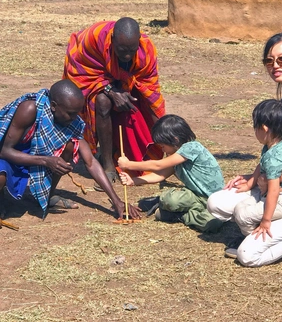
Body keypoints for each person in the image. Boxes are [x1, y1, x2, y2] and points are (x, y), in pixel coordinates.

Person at [207, 31, 282, 265]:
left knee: (247, 256)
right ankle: (272, 223)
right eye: (269, 60)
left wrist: (272, 178)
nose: (275, 65)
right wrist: (252, 179)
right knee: (216, 202)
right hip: (281, 187)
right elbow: (274, 151)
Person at [0, 80, 140, 220]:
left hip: (31, 156)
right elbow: (5, 150)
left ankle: (47, 196)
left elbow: (90, 162)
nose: (74, 119)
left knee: (69, 146)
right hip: (7, 155)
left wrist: (117, 201)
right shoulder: (30, 109)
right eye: (70, 114)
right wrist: (46, 160)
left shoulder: (72, 122)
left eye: (76, 114)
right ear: (54, 106)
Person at [63, 17, 165, 189]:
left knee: (147, 106)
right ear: (112, 40)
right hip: (97, 79)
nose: (126, 55)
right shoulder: (94, 39)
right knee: (103, 102)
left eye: (131, 50)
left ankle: (124, 150)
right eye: (121, 49)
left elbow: (150, 90)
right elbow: (79, 72)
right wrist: (110, 90)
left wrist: (169, 144)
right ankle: (107, 164)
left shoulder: (145, 50)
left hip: (129, 83)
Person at [118, 114, 225, 233]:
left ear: (175, 139)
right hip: (195, 196)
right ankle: (172, 206)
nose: (161, 149)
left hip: (215, 199)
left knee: (213, 223)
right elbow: (160, 175)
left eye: (163, 145)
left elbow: (158, 165)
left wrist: (128, 165)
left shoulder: (192, 147)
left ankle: (177, 215)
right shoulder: (175, 157)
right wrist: (133, 181)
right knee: (172, 200)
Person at [234, 99, 282, 241]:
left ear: (264, 129)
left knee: (242, 215)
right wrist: (249, 184)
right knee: (240, 207)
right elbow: (260, 165)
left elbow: (274, 191)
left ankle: (253, 240)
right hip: (280, 195)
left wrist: (266, 220)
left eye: (255, 127)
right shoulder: (277, 143)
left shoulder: (273, 158)